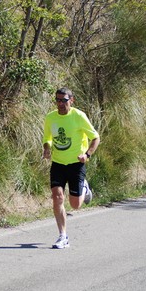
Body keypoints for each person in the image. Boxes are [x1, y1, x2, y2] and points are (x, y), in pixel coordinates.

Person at [43, 87, 100, 249]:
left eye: (64, 100)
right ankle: (63, 236)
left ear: (71, 100)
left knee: (75, 205)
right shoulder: (51, 117)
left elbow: (95, 137)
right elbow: (47, 137)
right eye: (58, 100)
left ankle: (84, 188)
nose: (60, 103)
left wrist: (87, 155)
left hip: (76, 164)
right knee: (57, 197)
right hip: (58, 164)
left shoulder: (78, 116)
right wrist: (46, 148)